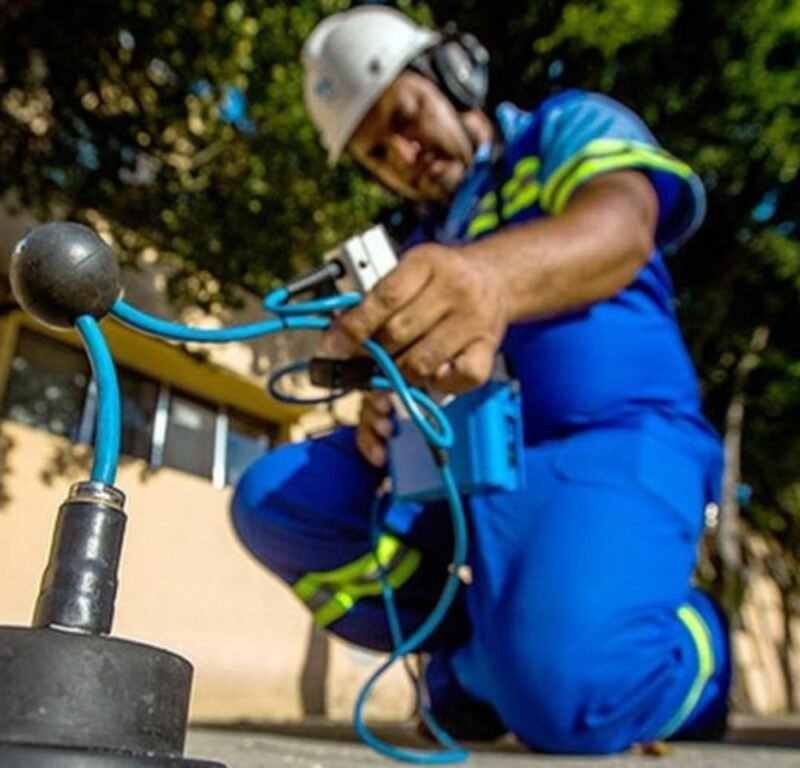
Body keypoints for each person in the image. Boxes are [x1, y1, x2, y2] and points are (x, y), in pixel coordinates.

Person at [231, 5, 730, 754]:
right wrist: (386, 404)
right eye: (376, 154)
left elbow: (622, 226)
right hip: (468, 470)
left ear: (453, 74)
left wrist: (489, 278)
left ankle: (695, 645)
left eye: (405, 117)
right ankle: (480, 644)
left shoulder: (563, 128)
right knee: (274, 502)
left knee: (568, 701)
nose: (403, 155)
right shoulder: (412, 244)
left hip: (612, 441)